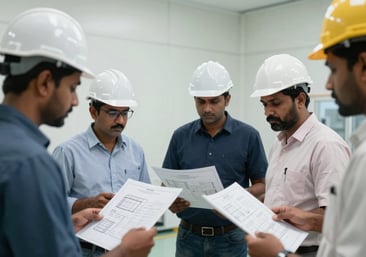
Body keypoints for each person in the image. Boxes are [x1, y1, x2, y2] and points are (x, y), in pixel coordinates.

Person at [0, 7, 156, 257]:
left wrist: (65, 224)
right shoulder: (30, 163)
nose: (74, 101)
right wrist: (125, 252)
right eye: (73, 87)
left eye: (125, 112)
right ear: (44, 83)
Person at [246, 0, 366, 256]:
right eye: (264, 104)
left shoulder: (331, 146)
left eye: (333, 69)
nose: (328, 84)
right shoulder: (278, 144)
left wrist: (279, 254)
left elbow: (348, 237)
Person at [163, 60, 268, 257]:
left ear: (227, 99)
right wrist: (171, 201)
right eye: (201, 101)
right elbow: (166, 184)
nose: (207, 109)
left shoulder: (248, 136)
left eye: (214, 101)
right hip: (188, 237)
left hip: (231, 238)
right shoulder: (180, 136)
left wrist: (234, 200)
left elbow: (262, 185)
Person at [249, 53, 351, 257]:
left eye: (275, 103)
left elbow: (341, 219)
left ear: (301, 100)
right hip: (272, 249)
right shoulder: (279, 144)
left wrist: (305, 218)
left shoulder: (326, 146)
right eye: (264, 104)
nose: (268, 112)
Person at [52, 68, 151, 256]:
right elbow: (52, 203)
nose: (120, 120)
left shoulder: (135, 150)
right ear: (93, 112)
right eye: (112, 112)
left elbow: (146, 195)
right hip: (84, 250)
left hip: (126, 248)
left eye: (125, 113)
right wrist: (87, 203)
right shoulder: (68, 152)